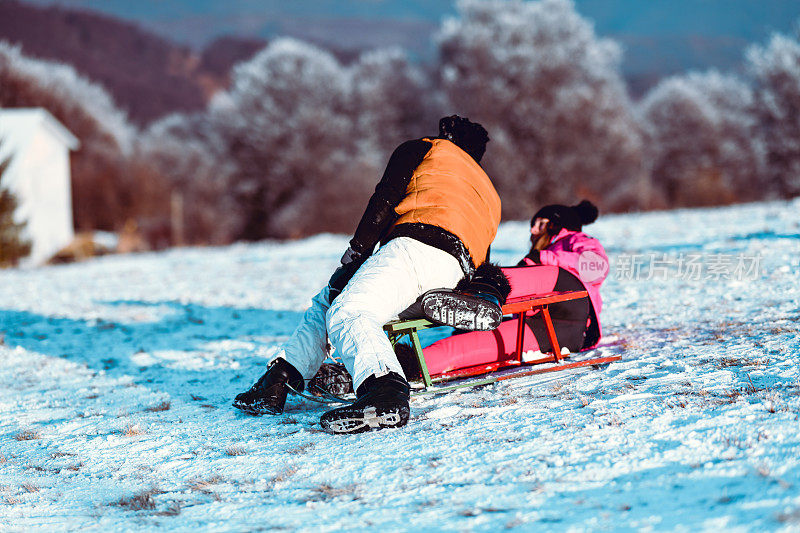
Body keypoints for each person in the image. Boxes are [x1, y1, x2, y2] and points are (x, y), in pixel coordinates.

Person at [233, 115, 501, 434]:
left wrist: (358, 250)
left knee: (351, 312)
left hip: (415, 246)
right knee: (331, 300)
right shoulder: (489, 195)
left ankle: (384, 393)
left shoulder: (427, 149)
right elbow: (484, 259)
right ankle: (279, 379)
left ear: (447, 135)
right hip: (453, 272)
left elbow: (385, 198)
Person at [410, 200, 608, 376]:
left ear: (558, 224)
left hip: (573, 310)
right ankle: (408, 366)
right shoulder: (539, 256)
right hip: (551, 329)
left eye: (540, 224)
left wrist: (543, 258)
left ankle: (465, 286)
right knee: (463, 346)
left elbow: (598, 267)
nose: (533, 231)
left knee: (503, 279)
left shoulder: (577, 239)